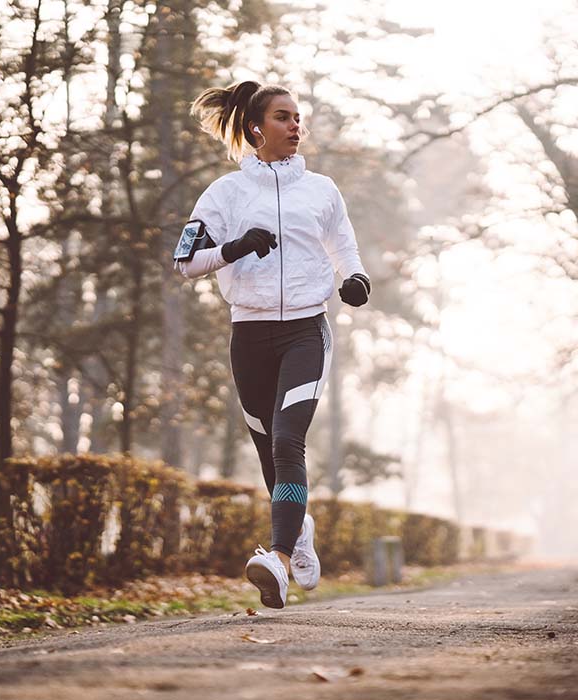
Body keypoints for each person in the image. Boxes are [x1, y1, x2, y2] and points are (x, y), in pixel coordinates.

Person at [174, 81, 370, 609]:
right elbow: (184, 263)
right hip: (249, 335)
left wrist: (355, 279)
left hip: (305, 331)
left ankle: (278, 561)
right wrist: (234, 248)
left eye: (298, 117)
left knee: (288, 441)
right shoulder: (224, 194)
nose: (295, 125)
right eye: (283, 117)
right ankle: (299, 527)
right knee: (269, 456)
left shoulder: (322, 190)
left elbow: (346, 249)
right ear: (257, 128)